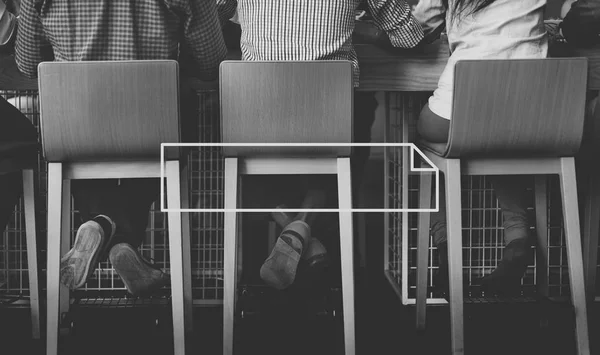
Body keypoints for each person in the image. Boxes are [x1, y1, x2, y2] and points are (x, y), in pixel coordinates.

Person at [15, 0, 227, 296]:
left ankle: (101, 224)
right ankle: (117, 233)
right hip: (152, 125)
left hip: (75, 125)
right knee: (177, 113)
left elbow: (27, 64)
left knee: (81, 146)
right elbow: (210, 63)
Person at [216, 0, 425, 290]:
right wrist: (360, 26)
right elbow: (409, 37)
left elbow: (212, 15)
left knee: (252, 156)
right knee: (349, 130)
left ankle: (289, 234)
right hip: (329, 123)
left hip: (258, 122)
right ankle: (308, 236)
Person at [413, 0, 547, 297]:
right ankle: (517, 236)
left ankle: (445, 246)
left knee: (423, 139)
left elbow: (418, 29)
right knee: (496, 135)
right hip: (534, 111)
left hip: (464, 109)